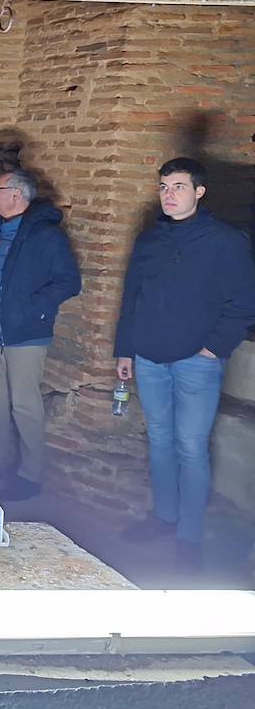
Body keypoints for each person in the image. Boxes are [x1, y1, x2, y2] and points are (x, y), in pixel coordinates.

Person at [114, 157, 255, 571]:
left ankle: (188, 535)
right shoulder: (150, 239)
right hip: (149, 356)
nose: (169, 195)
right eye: (163, 187)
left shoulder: (224, 241)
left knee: (191, 446)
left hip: (196, 360)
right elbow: (132, 296)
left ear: (199, 192)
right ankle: (164, 517)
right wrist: (126, 349)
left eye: (178, 187)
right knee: (159, 439)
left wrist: (213, 349)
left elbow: (244, 302)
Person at [0, 168, 81, 501]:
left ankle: (30, 474)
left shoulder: (46, 236)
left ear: (16, 195)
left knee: (25, 405)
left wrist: (29, 308)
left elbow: (69, 282)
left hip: (25, 335)